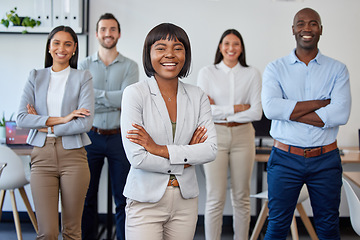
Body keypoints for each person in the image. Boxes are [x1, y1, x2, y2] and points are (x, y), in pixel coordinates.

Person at [120, 23, 217, 240]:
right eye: (161, 48)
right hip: (145, 200)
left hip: (186, 201)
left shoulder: (197, 95)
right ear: (149, 54)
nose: (170, 55)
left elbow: (210, 150)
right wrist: (187, 156)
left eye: (178, 48)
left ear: (186, 54)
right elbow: (137, 157)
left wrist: (157, 148)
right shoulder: (134, 94)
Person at [261, 8, 351, 240]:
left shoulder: (338, 69)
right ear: (293, 30)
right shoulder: (275, 68)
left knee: (329, 228)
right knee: (277, 227)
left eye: (313, 23)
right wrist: (321, 104)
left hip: (326, 160)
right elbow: (271, 109)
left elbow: (340, 114)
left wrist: (289, 109)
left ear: (321, 29)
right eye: (301, 24)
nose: (307, 28)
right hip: (285, 159)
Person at [16, 25, 94, 239]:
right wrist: (65, 118)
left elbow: (84, 124)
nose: (62, 48)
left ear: (75, 48)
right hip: (42, 156)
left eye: (68, 44)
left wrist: (44, 124)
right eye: (56, 43)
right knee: (47, 232)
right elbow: (22, 118)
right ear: (49, 47)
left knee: (71, 230)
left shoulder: (83, 77)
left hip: (74, 157)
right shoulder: (35, 76)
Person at [197, 29, 262, 240]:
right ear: (220, 47)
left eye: (236, 44)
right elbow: (203, 110)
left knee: (241, 197)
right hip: (215, 135)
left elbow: (256, 112)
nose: (231, 48)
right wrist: (237, 108)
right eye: (227, 43)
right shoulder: (207, 72)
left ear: (241, 48)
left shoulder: (252, 73)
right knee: (215, 197)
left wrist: (221, 109)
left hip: (244, 136)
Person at [79, 13, 139, 240]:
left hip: (119, 138)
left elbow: (128, 99)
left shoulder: (130, 66)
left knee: (123, 198)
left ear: (119, 33)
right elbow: (82, 100)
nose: (108, 33)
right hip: (90, 137)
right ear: (96, 34)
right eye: (103, 29)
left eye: (112, 29)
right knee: (86, 197)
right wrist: (113, 101)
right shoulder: (83, 65)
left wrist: (96, 99)